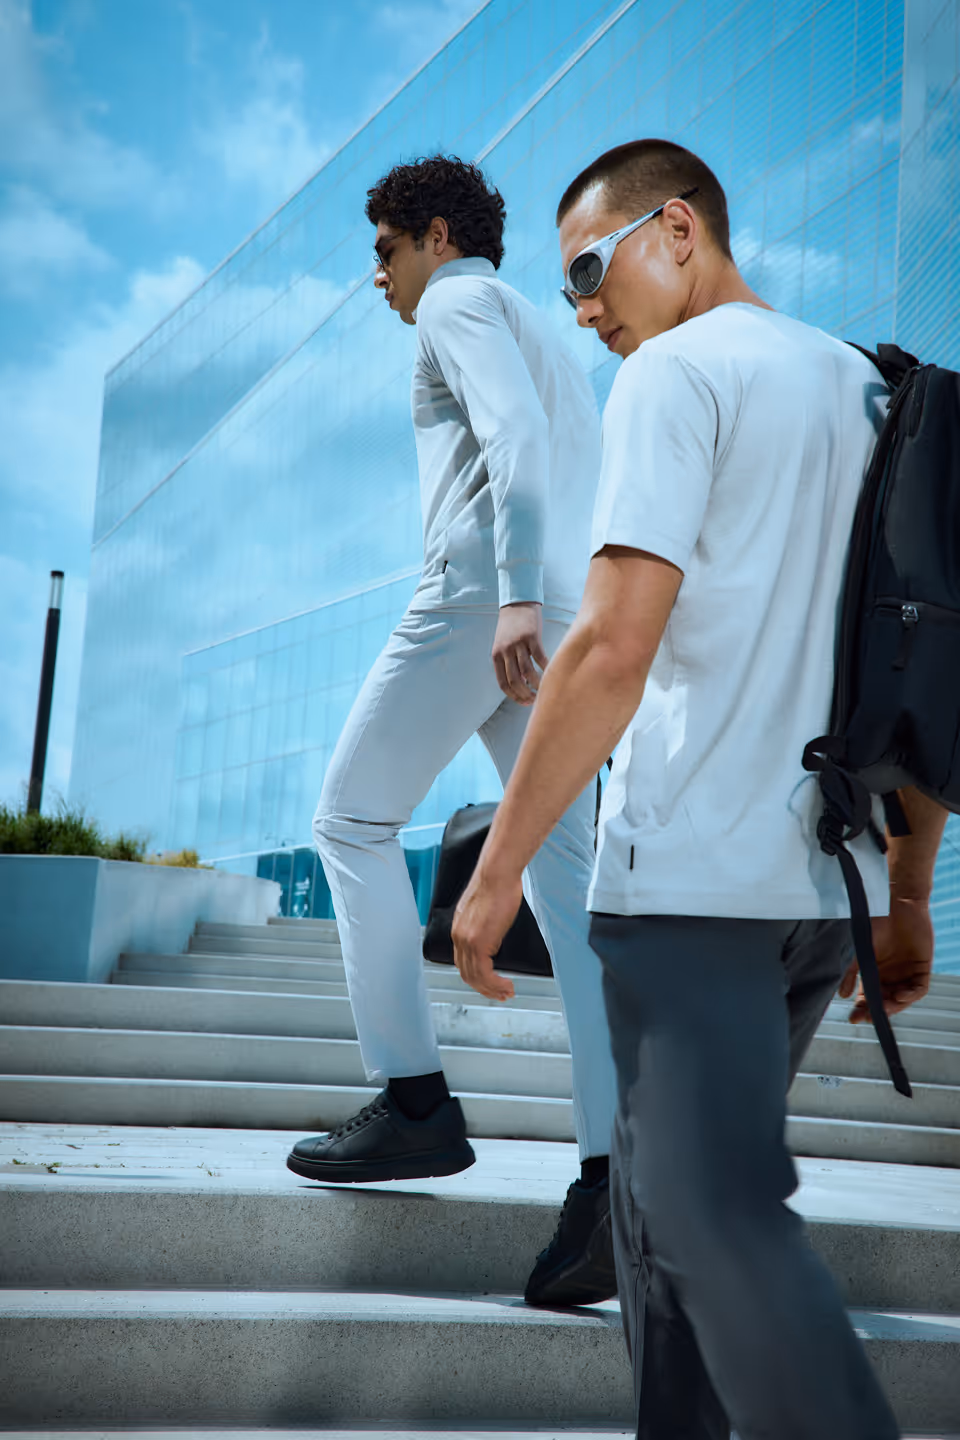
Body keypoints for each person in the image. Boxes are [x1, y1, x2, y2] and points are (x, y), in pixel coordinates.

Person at [451, 138, 947, 1438]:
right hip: (811, 896)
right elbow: (927, 667)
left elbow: (612, 646)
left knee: (709, 1215)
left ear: (675, 232)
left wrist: (498, 871)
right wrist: (907, 895)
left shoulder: (676, 374)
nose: (582, 308)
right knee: (660, 1240)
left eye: (589, 268)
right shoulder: (876, 392)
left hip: (687, 890)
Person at [286, 155, 620, 1307]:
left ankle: (414, 1101)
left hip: (487, 599)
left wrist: (513, 594)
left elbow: (512, 439)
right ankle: (612, 1181)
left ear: (435, 236)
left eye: (385, 249)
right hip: (552, 610)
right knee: (570, 900)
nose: (377, 275)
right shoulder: (545, 326)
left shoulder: (461, 300)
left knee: (349, 819)